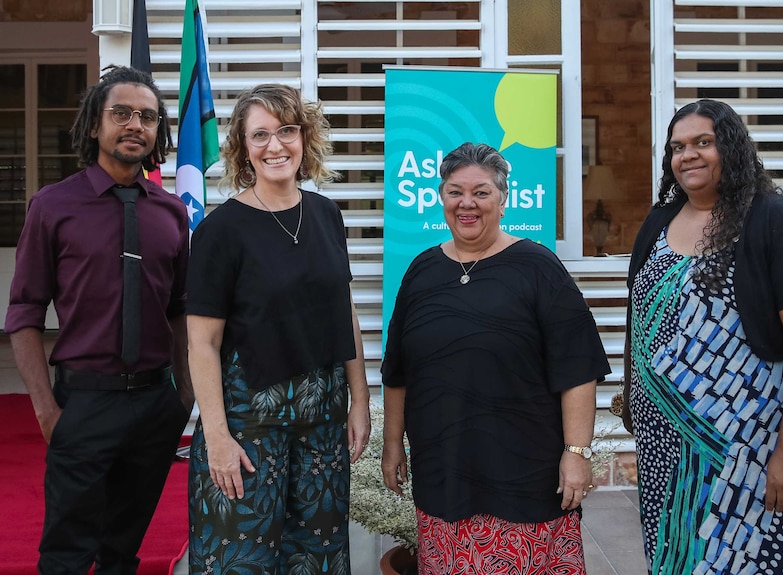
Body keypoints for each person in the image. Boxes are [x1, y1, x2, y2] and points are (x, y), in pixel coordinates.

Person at [623, 98, 783, 573]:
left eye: (704, 142)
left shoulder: (777, 221)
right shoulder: (658, 224)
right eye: (678, 146)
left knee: (759, 559)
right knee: (680, 557)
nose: (689, 155)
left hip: (755, 444)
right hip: (670, 446)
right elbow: (640, 323)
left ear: (733, 148)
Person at [381, 142, 609, 574]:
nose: (467, 203)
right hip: (443, 469)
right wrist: (393, 444)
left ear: (503, 200)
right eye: (455, 191)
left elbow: (578, 368)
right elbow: (397, 369)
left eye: (481, 192)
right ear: (441, 197)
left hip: (525, 474)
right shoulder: (421, 271)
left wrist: (576, 452)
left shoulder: (539, 268)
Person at [4, 65, 193, 573]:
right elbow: (23, 313)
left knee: (122, 552)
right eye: (122, 113)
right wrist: (45, 410)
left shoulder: (172, 214)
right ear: (94, 125)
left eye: (148, 117)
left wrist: (185, 396)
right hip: (84, 403)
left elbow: (179, 310)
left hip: (156, 406)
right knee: (66, 554)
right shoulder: (53, 206)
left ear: (158, 132)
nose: (136, 125)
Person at [186, 83, 371, 575]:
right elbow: (202, 343)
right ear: (243, 149)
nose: (275, 145)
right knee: (241, 560)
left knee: (317, 559)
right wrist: (218, 438)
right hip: (248, 430)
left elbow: (343, 310)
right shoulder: (219, 232)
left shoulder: (328, 215)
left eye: (286, 131)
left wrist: (360, 399)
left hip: (324, 426)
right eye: (260, 134)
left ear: (304, 138)